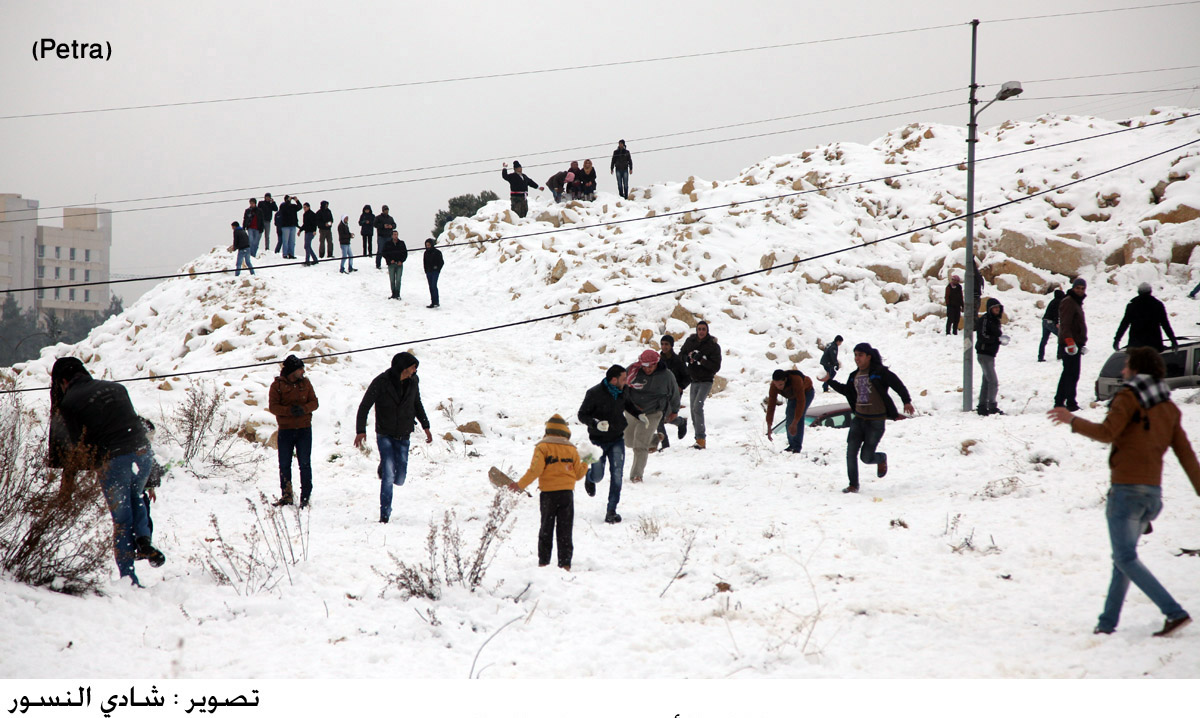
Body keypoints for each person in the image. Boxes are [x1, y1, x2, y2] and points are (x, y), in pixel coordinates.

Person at [1048, 347, 1200, 637]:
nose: (1123, 370)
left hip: (1127, 493)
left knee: (1125, 558)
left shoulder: (1129, 397)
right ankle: (1107, 625)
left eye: (1127, 366)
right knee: (1123, 560)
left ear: (1137, 369)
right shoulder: (1168, 407)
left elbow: (1107, 433)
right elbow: (1186, 455)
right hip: (1152, 497)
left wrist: (1072, 420)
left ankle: (1174, 612)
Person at [51, 357, 164, 586]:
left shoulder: (69, 402)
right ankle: (143, 540)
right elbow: (132, 425)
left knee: (122, 521)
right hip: (143, 453)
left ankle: (129, 579)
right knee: (137, 495)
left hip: (115, 460)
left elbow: (78, 444)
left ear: (63, 381)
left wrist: (72, 481)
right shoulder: (116, 388)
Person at [821, 343, 914, 494]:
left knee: (866, 457)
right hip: (859, 419)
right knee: (850, 453)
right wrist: (829, 380)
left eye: (860, 355)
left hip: (876, 421)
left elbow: (898, 385)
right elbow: (846, 390)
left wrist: (906, 401)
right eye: (855, 355)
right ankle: (853, 485)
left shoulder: (880, 373)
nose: (857, 358)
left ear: (869, 357)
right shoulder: (854, 376)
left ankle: (880, 458)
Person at [354, 352, 433, 523]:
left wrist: (426, 426)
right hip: (385, 433)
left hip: (404, 433)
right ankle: (385, 514)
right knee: (389, 475)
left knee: (400, 478)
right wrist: (361, 431)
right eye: (413, 367)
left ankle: (384, 467)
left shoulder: (414, 381)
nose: (415, 370)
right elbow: (365, 406)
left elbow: (417, 403)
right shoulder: (381, 382)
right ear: (403, 367)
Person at [508, 415, 592, 570]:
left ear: (548, 430)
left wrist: (519, 485)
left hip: (548, 494)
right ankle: (565, 565)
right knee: (565, 530)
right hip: (567, 494)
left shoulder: (542, 447)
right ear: (565, 431)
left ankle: (544, 563)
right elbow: (578, 475)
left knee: (546, 528)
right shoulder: (571, 449)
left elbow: (535, 470)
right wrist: (586, 462)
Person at [578, 365, 629, 523]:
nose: (626, 381)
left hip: (617, 439)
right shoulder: (594, 393)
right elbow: (582, 415)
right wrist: (595, 423)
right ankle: (590, 477)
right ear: (614, 380)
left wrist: (640, 414)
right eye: (623, 378)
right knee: (598, 476)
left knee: (617, 475)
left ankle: (611, 511)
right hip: (597, 441)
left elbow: (628, 405)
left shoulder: (623, 390)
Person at [268, 355, 319, 508]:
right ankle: (287, 495)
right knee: (284, 464)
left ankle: (305, 497)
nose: (303, 371)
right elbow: (273, 407)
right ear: (292, 371)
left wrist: (304, 409)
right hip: (286, 430)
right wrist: (289, 411)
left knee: (305, 464)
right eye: (300, 369)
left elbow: (314, 403)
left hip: (304, 429)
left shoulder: (306, 383)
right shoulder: (277, 386)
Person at [623, 349, 680, 483]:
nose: (647, 369)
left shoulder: (666, 375)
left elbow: (674, 393)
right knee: (629, 441)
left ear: (657, 363)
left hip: (653, 412)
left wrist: (674, 410)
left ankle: (636, 475)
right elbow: (620, 386)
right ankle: (654, 439)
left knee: (640, 445)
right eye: (645, 366)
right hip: (632, 410)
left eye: (651, 366)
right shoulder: (632, 371)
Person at [679, 321, 722, 449]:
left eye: (704, 329)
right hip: (694, 380)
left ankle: (701, 438)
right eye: (699, 329)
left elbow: (716, 366)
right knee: (693, 410)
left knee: (697, 407)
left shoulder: (713, 346)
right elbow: (681, 355)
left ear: (707, 330)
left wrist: (701, 360)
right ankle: (698, 439)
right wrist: (687, 358)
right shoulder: (690, 341)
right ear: (696, 330)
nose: (701, 331)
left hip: (706, 380)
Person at [1055, 277, 1088, 411]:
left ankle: (1060, 401)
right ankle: (1070, 402)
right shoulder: (1069, 302)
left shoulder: (1076, 302)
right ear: (1073, 288)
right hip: (1070, 344)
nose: (1080, 291)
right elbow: (1065, 324)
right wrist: (1070, 342)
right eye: (1077, 288)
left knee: (1069, 373)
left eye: (1082, 288)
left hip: (1075, 344)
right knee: (1071, 374)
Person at [1114, 283, 1178, 353]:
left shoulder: (1132, 304)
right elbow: (1165, 324)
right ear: (1150, 292)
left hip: (1136, 345)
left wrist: (1117, 340)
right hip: (1153, 345)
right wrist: (1173, 340)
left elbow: (1124, 324)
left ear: (1138, 292)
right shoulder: (1157, 304)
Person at [766, 368, 815, 454]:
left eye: (780, 384)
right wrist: (769, 425)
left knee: (798, 416)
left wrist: (795, 422)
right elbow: (771, 405)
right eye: (776, 385)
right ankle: (792, 445)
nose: (779, 387)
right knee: (789, 415)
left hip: (806, 392)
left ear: (785, 380)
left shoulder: (796, 380)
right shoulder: (774, 386)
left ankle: (796, 447)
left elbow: (800, 402)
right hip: (792, 396)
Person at [975, 298, 1008, 416]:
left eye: (998, 307)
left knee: (986, 381)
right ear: (990, 309)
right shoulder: (985, 320)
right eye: (995, 308)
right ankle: (992, 406)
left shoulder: (995, 320)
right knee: (993, 381)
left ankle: (982, 406)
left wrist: (999, 340)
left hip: (990, 354)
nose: (997, 309)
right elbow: (982, 336)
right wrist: (996, 340)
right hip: (984, 354)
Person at [655, 335, 689, 449]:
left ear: (671, 346)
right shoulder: (657, 359)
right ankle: (665, 444)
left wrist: (680, 386)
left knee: (669, 418)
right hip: (659, 393)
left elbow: (688, 377)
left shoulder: (678, 360)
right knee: (658, 418)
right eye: (662, 344)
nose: (664, 347)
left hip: (673, 395)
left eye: (666, 344)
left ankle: (681, 422)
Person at [1038, 287, 1065, 362]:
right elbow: (1056, 313)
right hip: (1050, 322)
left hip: (1044, 321)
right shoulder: (1058, 302)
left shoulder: (1052, 301)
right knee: (1061, 336)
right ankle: (1060, 355)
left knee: (1044, 339)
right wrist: (1057, 323)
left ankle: (1040, 357)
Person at [381, 231, 407, 300]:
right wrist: (389, 260)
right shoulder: (388, 244)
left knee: (398, 280)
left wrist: (401, 261)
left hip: (399, 264)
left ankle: (397, 294)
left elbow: (405, 253)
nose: (395, 236)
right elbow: (384, 253)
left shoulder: (401, 243)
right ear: (392, 235)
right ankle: (393, 293)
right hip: (391, 265)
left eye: (396, 234)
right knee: (392, 280)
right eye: (394, 234)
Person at [423, 238, 443, 308]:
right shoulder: (425, 253)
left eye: (429, 245)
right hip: (428, 272)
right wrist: (426, 271)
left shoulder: (437, 252)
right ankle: (433, 302)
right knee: (431, 286)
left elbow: (441, 262)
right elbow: (424, 263)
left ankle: (436, 301)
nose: (428, 246)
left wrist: (437, 269)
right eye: (427, 245)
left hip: (435, 272)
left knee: (434, 285)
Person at [374, 205, 396, 270]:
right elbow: (375, 224)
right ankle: (378, 264)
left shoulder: (390, 218)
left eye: (387, 210)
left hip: (389, 236)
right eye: (385, 210)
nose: (387, 211)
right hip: (381, 237)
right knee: (380, 251)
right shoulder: (378, 217)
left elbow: (395, 225)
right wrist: (383, 226)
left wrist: (391, 226)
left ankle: (389, 263)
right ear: (383, 210)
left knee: (389, 251)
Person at [300, 201, 319, 266]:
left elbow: (315, 223)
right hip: (306, 232)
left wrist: (314, 230)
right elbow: (304, 224)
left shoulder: (313, 214)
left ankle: (307, 260)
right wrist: (300, 230)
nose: (304, 209)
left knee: (307, 246)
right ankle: (315, 259)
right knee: (307, 246)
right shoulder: (305, 215)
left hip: (311, 232)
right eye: (303, 207)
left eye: (305, 207)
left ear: (308, 207)